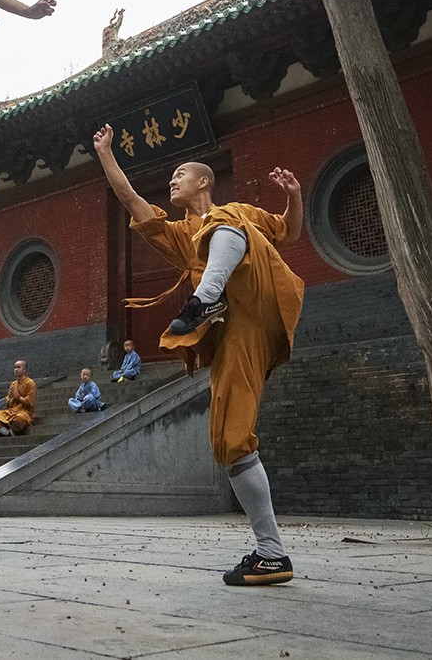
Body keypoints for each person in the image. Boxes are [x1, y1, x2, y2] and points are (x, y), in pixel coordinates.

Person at [92, 124, 305, 587]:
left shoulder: (237, 211)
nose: (172, 181)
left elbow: (289, 231)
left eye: (179, 173)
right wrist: (106, 154)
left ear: (204, 181)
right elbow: (130, 199)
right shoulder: (175, 234)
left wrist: (293, 196)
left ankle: (207, 293)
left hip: (258, 295)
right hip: (235, 333)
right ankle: (272, 553)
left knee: (227, 221)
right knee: (229, 442)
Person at [0, 359, 36, 437]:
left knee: (18, 419)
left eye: (18, 367)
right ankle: (7, 433)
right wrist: (13, 398)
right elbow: (8, 402)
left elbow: (30, 402)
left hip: (24, 412)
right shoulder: (13, 384)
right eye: (15, 367)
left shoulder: (30, 383)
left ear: (24, 370)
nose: (16, 370)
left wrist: (18, 396)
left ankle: (6, 429)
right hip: (12, 411)